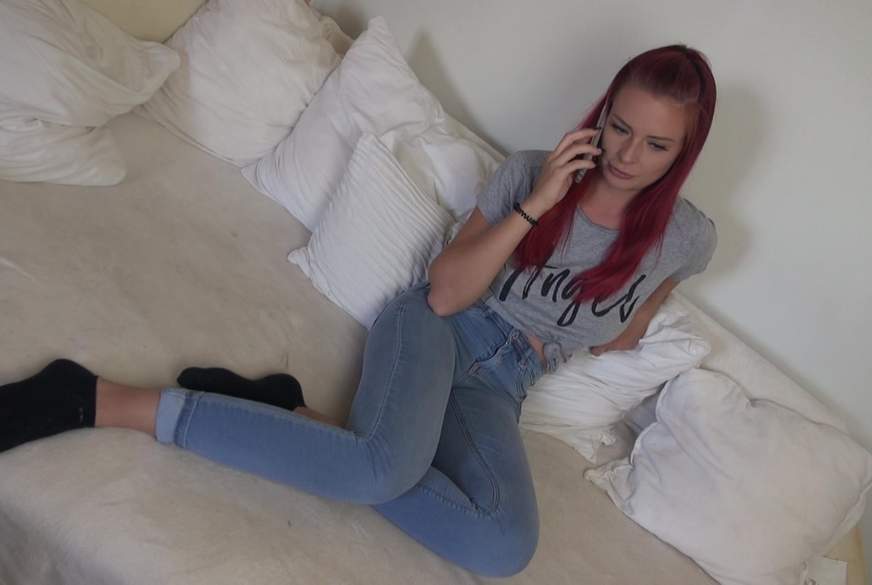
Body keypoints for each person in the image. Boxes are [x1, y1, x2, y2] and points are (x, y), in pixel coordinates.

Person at [0, 44, 717, 577]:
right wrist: (538, 205)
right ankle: (96, 397)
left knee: (504, 547)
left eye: (656, 144)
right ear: (601, 115)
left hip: (502, 388)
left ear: (684, 154)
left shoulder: (687, 238)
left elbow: (632, 322)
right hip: (439, 329)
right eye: (619, 127)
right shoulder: (532, 173)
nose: (627, 155)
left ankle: (294, 415)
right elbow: (445, 291)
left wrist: (626, 316)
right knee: (377, 470)